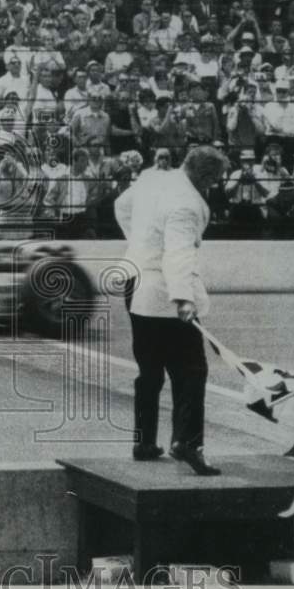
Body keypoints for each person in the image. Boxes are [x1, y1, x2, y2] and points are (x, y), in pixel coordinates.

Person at [114, 145, 228, 474]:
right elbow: (178, 253)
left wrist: (139, 242)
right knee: (191, 369)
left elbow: (122, 205)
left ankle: (144, 441)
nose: (214, 187)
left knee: (149, 370)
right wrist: (184, 298)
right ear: (205, 176)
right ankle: (188, 443)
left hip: (134, 279)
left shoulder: (153, 179)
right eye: (215, 180)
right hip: (163, 288)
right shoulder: (187, 204)